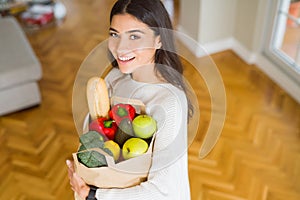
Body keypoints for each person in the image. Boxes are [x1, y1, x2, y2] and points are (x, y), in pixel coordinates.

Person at [66, 0, 194, 199]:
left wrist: (92, 194)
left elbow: (163, 191)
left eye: (134, 36)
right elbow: (95, 130)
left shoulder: (169, 103)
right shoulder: (114, 77)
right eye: (114, 34)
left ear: (159, 40)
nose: (120, 48)